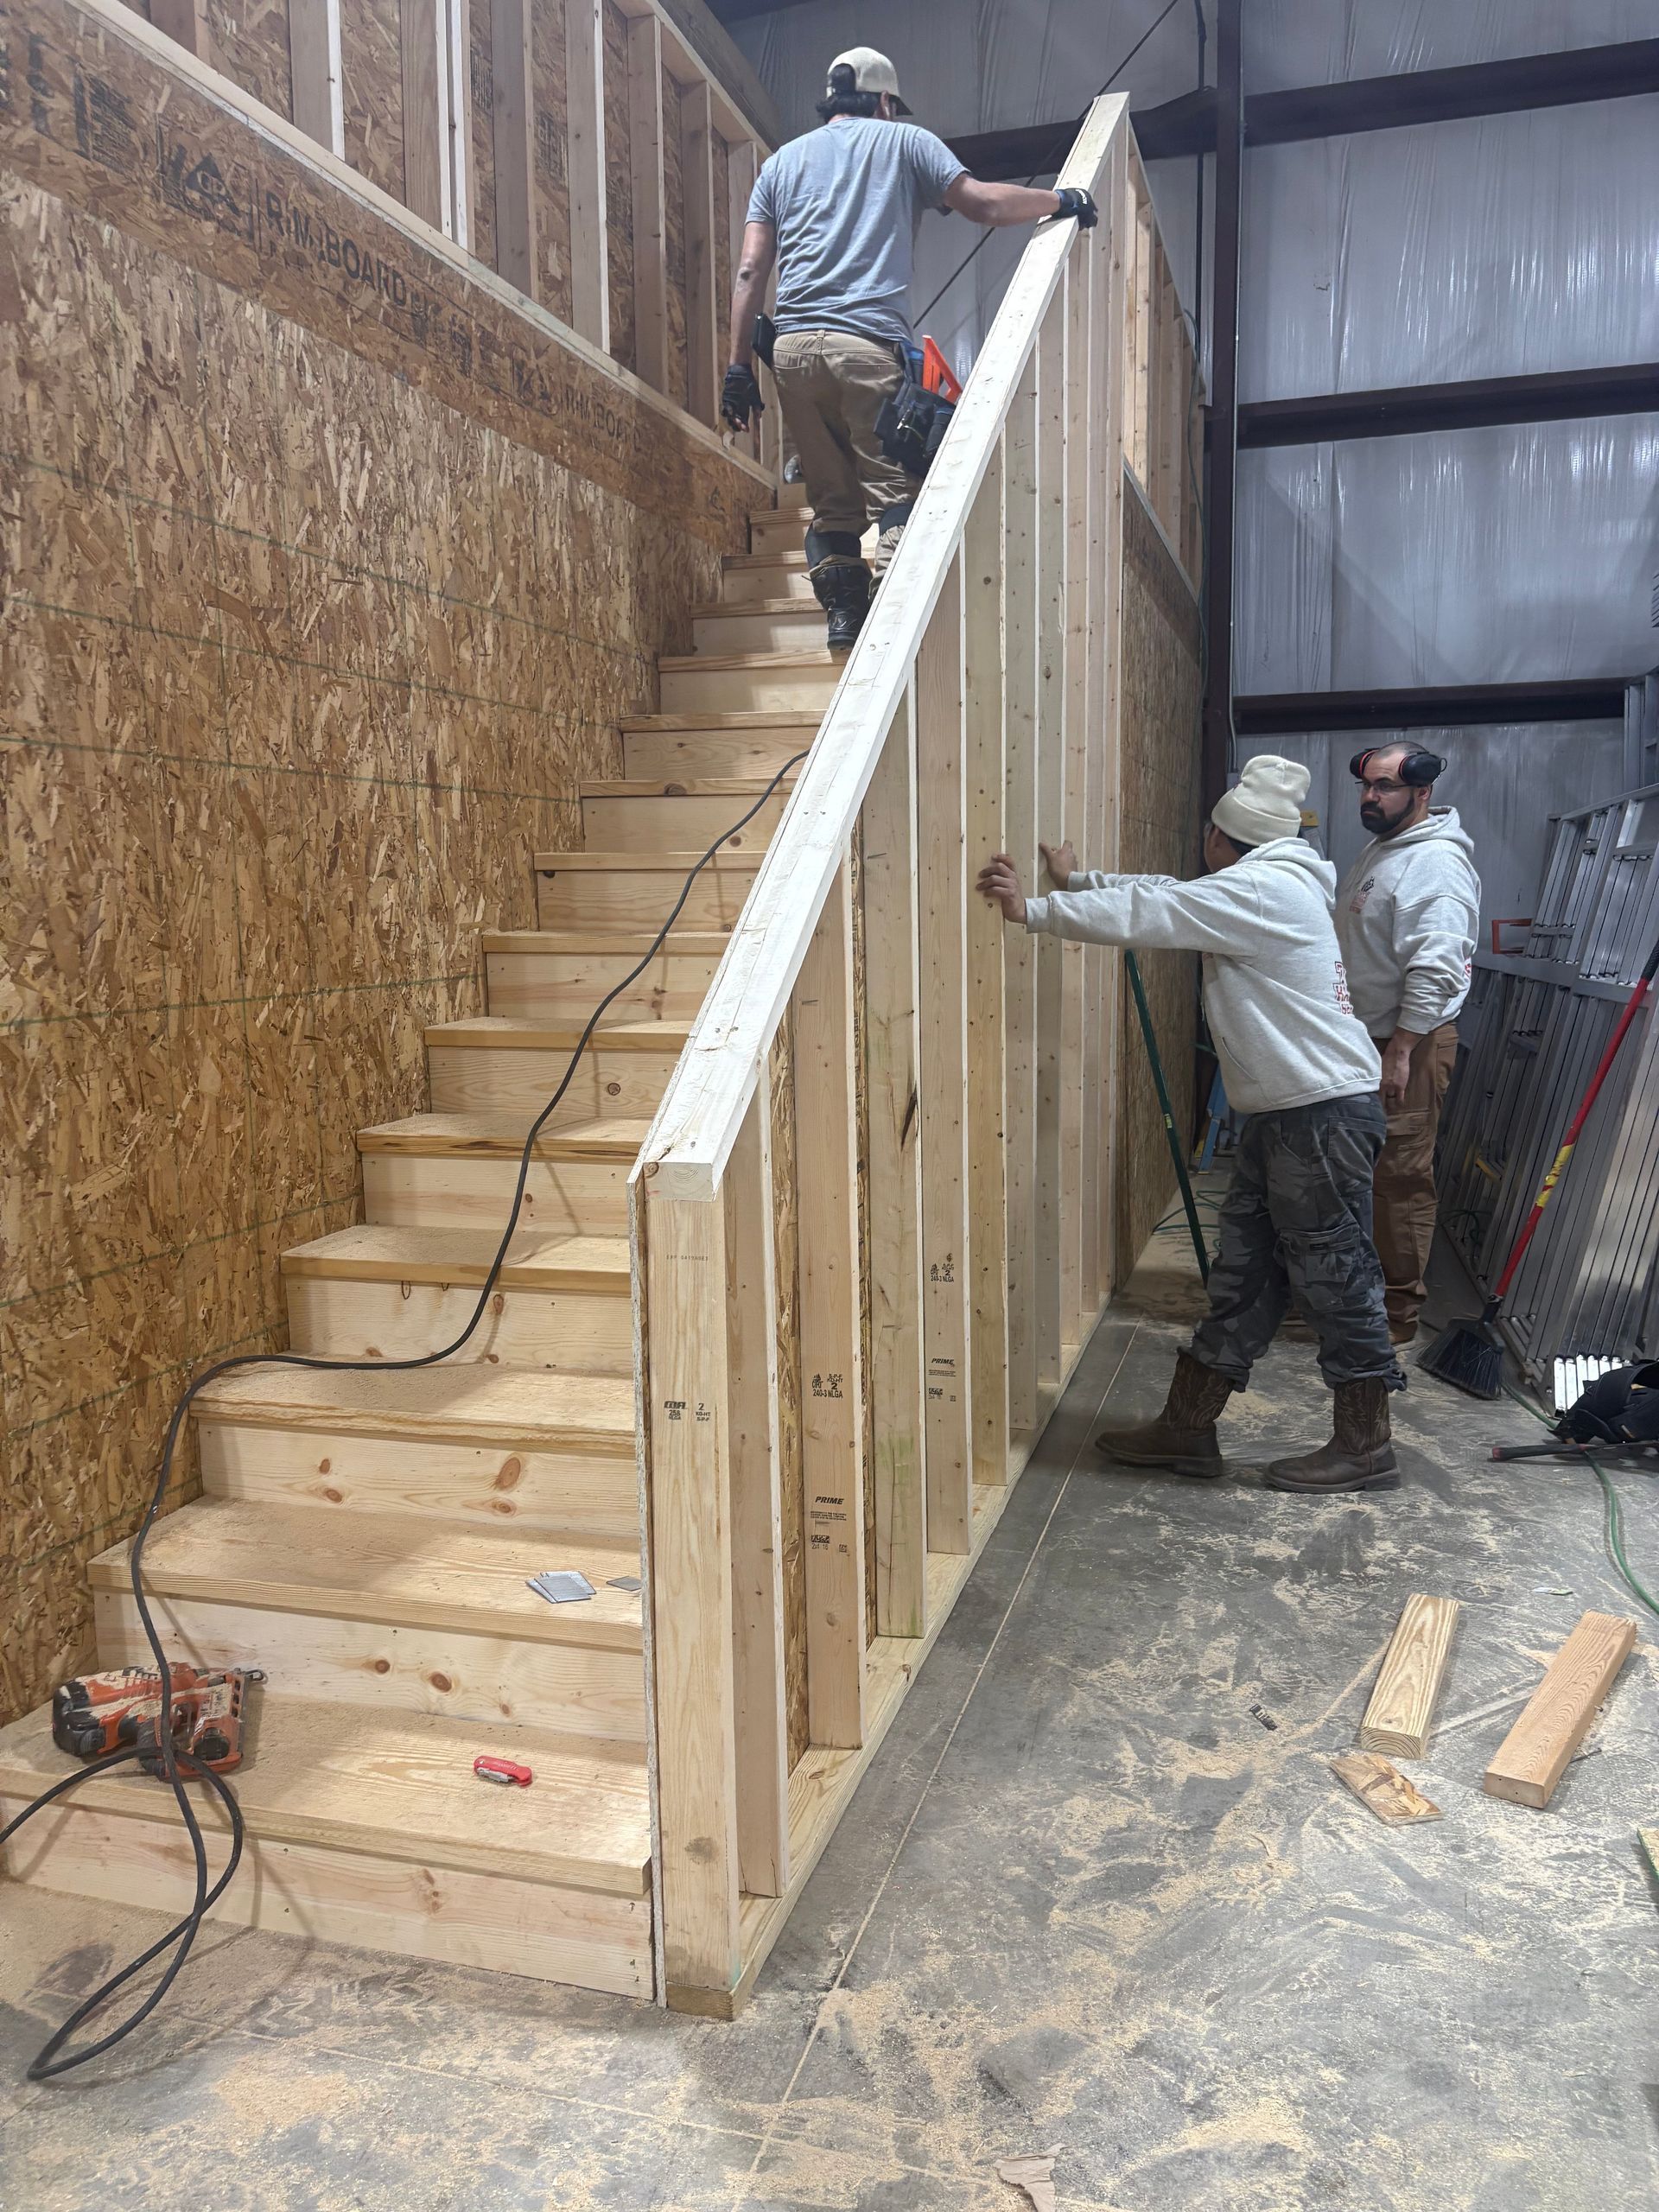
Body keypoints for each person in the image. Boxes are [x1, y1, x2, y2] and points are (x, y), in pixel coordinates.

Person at [977, 754, 1405, 1495]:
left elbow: (1165, 911)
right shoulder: (1260, 882)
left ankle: (1366, 1444)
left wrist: (1035, 911)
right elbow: (1171, 895)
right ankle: (1187, 1429)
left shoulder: (1266, 890)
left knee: (1336, 1279)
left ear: (1221, 837)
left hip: (1319, 1118)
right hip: (1290, 1117)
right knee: (1243, 1276)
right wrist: (1080, 882)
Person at [720, 47, 1096, 649]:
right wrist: (1063, 201)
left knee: (831, 500)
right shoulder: (905, 143)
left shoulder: (781, 164)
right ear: (886, 101)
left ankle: (845, 623)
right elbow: (984, 205)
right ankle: (893, 631)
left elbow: (748, 272)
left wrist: (738, 368)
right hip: (865, 346)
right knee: (900, 492)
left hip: (789, 354)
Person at [1334, 745, 1480, 1347]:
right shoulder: (1387, 847)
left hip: (1407, 1045)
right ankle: (1353, 1300)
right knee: (1360, 1173)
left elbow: (1438, 966)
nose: (1371, 797)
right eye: (1368, 786)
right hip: (1369, 1037)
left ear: (1421, 791)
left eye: (1386, 787)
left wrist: (1400, 1050)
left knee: (1398, 1179)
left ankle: (1396, 1317)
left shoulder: (1435, 867)